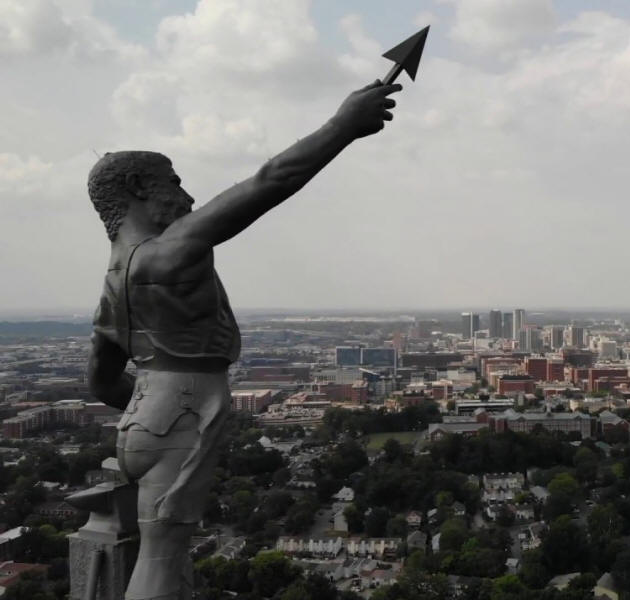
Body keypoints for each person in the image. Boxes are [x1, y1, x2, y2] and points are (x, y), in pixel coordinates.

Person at [86, 80, 402, 600]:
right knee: (161, 560)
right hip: (180, 414)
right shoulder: (166, 254)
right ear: (141, 188)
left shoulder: (113, 279)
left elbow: (98, 379)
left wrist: (145, 414)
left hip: (143, 418)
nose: (186, 196)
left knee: (168, 554)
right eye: (175, 182)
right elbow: (268, 182)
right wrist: (343, 126)